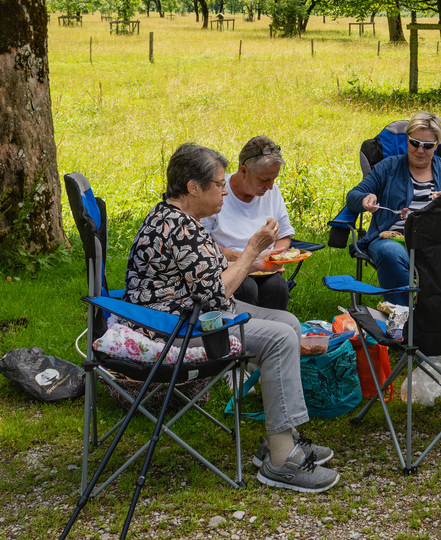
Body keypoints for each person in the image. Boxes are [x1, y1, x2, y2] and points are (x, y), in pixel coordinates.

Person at [124, 142, 339, 493]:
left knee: (287, 323)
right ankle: (282, 463)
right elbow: (216, 292)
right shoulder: (179, 228)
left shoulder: (178, 219)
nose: (225, 190)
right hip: (174, 329)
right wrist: (253, 249)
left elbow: (206, 277)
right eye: (219, 184)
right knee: (281, 338)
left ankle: (282, 438)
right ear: (194, 187)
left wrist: (252, 261)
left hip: (194, 313)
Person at [341, 111, 441, 305]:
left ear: (436, 146)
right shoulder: (388, 167)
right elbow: (353, 196)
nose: (420, 150)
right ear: (407, 140)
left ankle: (437, 313)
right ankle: (402, 315)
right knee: (390, 253)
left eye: (428, 146)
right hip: (392, 238)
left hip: (437, 241)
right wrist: (366, 198)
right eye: (415, 143)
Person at [206, 135, 296, 311]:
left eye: (274, 179)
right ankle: (243, 335)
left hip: (265, 265)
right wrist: (248, 258)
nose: (270, 186)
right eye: (264, 180)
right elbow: (202, 244)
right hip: (227, 267)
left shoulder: (272, 192)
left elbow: (284, 235)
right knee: (246, 288)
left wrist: (277, 256)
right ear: (244, 171)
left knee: (277, 288)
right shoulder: (217, 193)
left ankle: (273, 334)